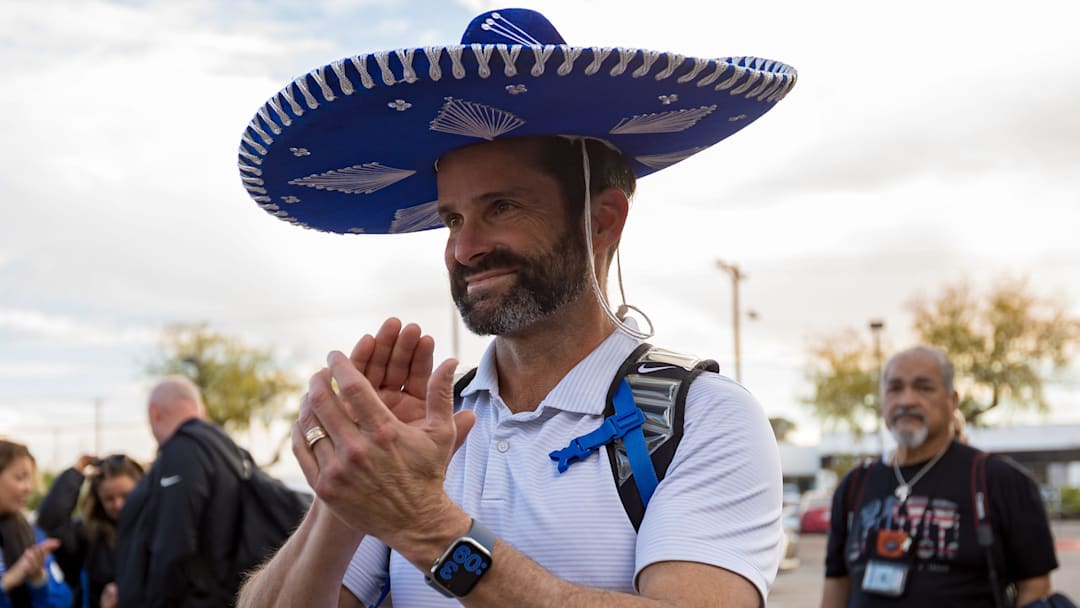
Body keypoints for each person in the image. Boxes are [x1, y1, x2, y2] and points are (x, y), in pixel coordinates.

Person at [236, 7, 797, 607]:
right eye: (452, 218)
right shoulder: (427, 426)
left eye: (501, 207)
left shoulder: (703, 418)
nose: (464, 248)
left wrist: (429, 529)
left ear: (601, 220)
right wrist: (347, 494)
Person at [821, 346, 1060, 607]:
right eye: (895, 388)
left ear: (952, 400)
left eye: (923, 387)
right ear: (882, 401)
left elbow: (1035, 588)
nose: (907, 400)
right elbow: (836, 583)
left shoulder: (1000, 481)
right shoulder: (855, 484)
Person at [113, 376, 246, 607]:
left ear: (154, 413)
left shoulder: (182, 451)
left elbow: (173, 545)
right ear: (200, 410)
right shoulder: (227, 450)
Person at [36, 453, 144, 608]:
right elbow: (51, 522)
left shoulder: (159, 531)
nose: (119, 505)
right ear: (98, 499)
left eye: (126, 495)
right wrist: (75, 473)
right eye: (109, 499)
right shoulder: (89, 535)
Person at [0, 439, 73, 608]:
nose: (28, 488)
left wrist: (39, 580)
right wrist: (7, 582)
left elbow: (64, 599)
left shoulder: (31, 535)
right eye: (19, 478)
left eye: (29, 479)